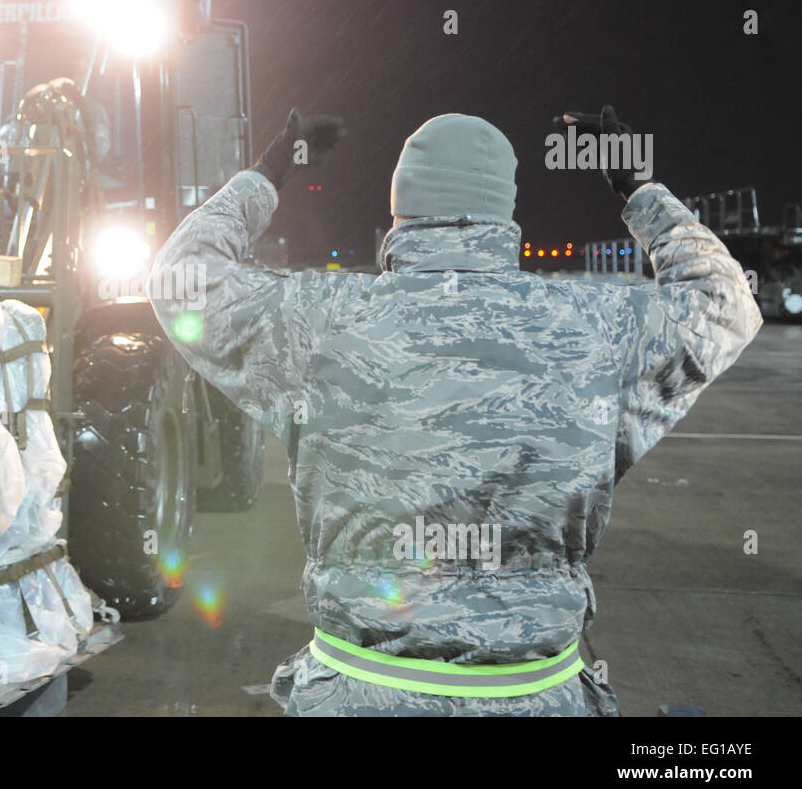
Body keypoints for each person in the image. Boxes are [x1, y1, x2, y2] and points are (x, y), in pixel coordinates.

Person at [148, 106, 762, 716]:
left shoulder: (320, 320)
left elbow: (182, 276)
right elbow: (726, 303)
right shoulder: (597, 327)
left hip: (360, 695)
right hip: (535, 697)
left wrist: (266, 172)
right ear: (505, 214)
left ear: (401, 213)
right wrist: (639, 187)